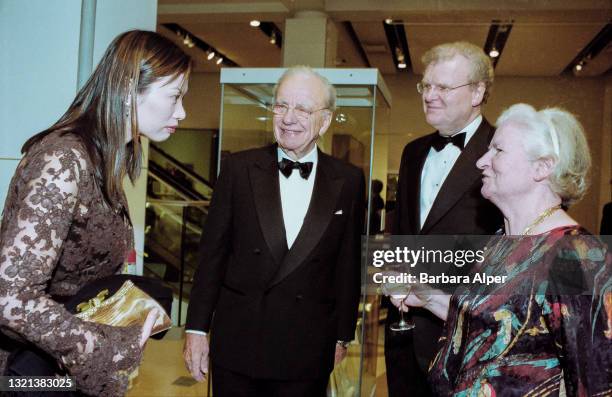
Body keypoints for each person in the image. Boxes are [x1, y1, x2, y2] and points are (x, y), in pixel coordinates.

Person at [0, 30, 191, 395]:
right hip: (27, 376)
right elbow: (10, 299)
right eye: (175, 96)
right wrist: (100, 345)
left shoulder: (99, 161)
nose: (182, 111)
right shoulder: (63, 160)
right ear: (129, 90)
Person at [392, 103, 612, 395]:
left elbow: (595, 380)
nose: (481, 161)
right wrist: (430, 298)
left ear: (542, 167)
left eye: (498, 150)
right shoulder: (499, 241)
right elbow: (492, 324)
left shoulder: (574, 256)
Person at [183, 66, 365, 396]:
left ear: (325, 121)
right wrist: (196, 328)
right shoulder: (239, 169)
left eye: (302, 109)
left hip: (307, 346)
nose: (288, 118)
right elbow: (212, 256)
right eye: (281, 106)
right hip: (239, 344)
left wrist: (342, 335)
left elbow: (347, 264)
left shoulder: (348, 181)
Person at [386, 41, 502, 396]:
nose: (430, 95)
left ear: (477, 92)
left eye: (443, 87)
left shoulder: (502, 150)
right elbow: (403, 234)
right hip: (403, 334)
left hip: (467, 340)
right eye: (426, 86)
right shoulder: (413, 152)